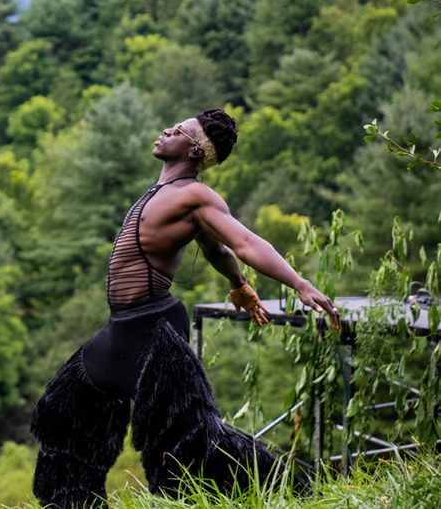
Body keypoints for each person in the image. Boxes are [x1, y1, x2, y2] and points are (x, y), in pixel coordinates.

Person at [30, 108, 341, 507]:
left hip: (154, 335)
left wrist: (299, 284)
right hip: (119, 333)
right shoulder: (164, 192)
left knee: (194, 443)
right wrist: (239, 285)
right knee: (65, 416)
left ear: (194, 150)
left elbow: (244, 243)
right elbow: (216, 249)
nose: (165, 130)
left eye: (177, 130)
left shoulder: (195, 195)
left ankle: (294, 492)